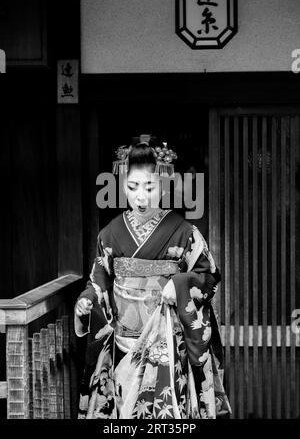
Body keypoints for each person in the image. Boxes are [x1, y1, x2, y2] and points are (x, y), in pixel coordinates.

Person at [74, 135, 231, 419]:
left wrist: (180, 283)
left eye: (150, 187)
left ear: (162, 184)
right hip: (125, 342)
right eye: (133, 187)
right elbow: (99, 279)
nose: (141, 196)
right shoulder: (109, 233)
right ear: (123, 185)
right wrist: (86, 300)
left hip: (169, 344)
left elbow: (209, 277)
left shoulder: (184, 232)